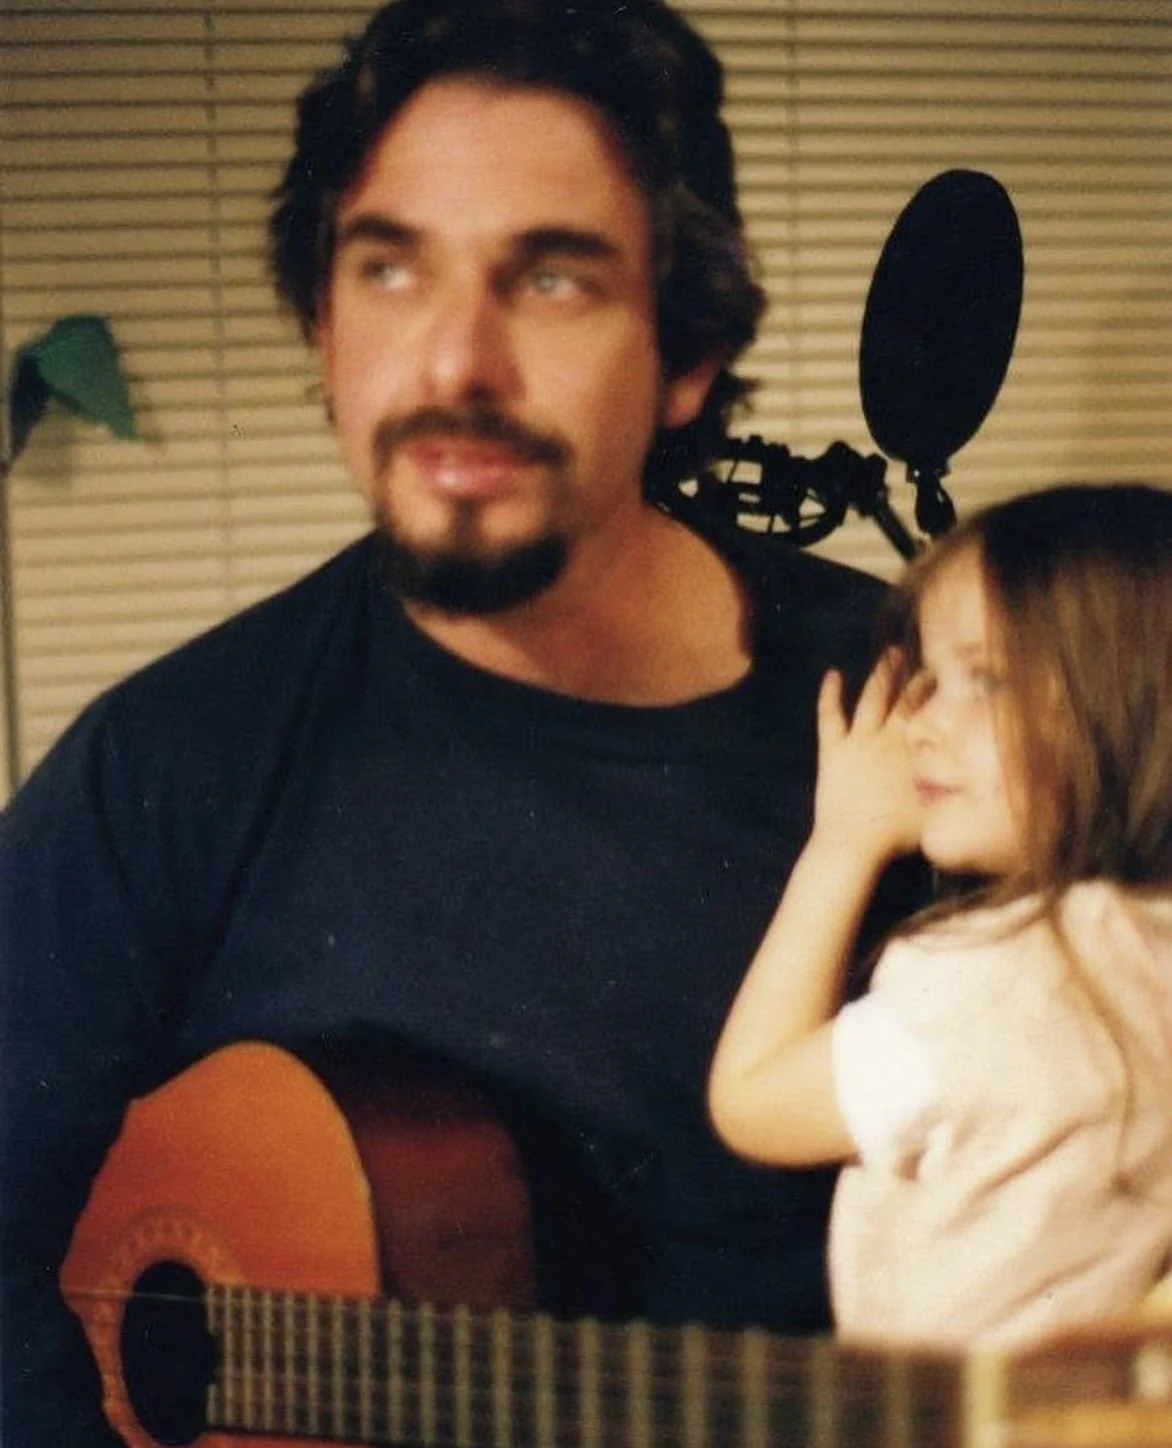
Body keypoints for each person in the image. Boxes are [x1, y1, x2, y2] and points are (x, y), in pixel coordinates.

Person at [0, 2, 925, 1443]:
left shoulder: (930, 713)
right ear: (321, 332)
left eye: (550, 281)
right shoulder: (164, 770)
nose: (453, 363)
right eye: (389, 270)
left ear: (687, 356)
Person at [709, 482, 1172, 1348]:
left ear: (1133, 699)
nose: (917, 722)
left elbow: (751, 1102)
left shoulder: (989, 984)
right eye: (926, 676)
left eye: (982, 679)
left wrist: (843, 843)